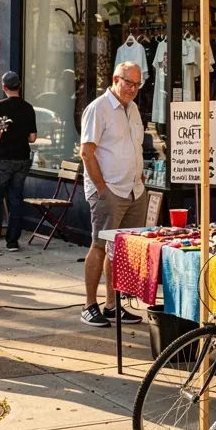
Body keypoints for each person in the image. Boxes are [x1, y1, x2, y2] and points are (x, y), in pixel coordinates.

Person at [79, 63, 147, 328]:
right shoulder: (99, 108)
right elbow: (87, 152)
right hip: (109, 190)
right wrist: (102, 188)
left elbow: (135, 147)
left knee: (121, 250)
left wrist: (140, 180)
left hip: (133, 190)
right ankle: (88, 305)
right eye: (129, 83)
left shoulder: (133, 109)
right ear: (115, 79)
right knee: (99, 246)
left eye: (137, 85)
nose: (133, 89)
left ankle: (112, 304)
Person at [0, 72, 37, 252]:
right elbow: (32, 137)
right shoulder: (28, 108)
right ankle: (13, 242)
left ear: (4, 87)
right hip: (22, 158)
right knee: (16, 200)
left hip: (2, 159)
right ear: (19, 85)